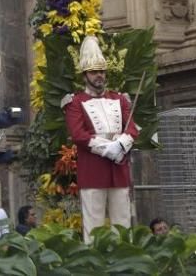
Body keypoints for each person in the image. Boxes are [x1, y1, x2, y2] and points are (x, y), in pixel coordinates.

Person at [63, 35, 140, 242]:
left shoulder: (119, 99)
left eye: (101, 72)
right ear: (85, 75)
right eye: (94, 72)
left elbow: (132, 127)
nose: (99, 76)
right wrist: (108, 149)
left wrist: (121, 145)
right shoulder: (75, 102)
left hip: (119, 168)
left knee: (122, 224)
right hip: (93, 170)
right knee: (93, 226)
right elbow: (78, 135)